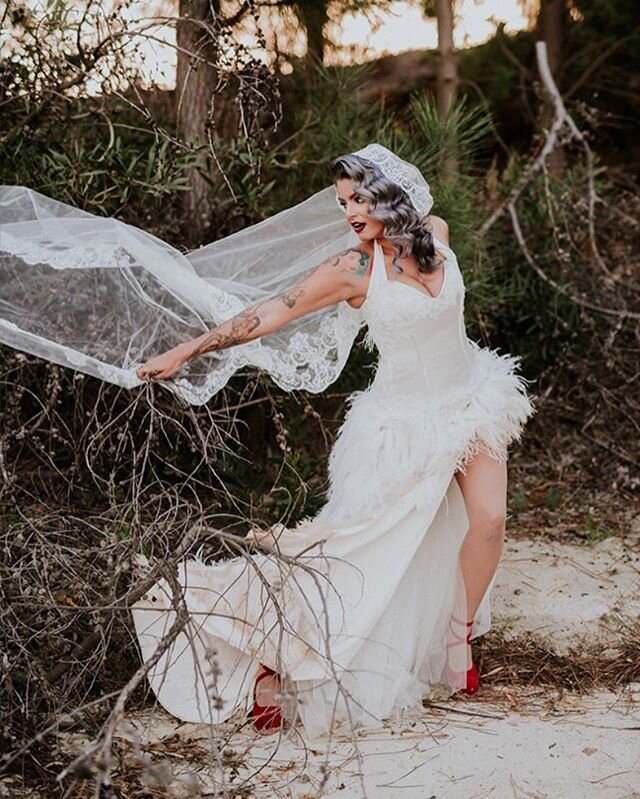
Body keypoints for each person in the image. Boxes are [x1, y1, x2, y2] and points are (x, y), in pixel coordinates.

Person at [132, 145, 534, 737]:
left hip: (472, 400)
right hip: (399, 426)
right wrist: (189, 350)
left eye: (359, 197)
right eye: (343, 201)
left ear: (391, 193)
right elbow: (269, 314)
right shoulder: (351, 269)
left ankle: (458, 635)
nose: (348, 210)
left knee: (490, 521)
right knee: (359, 558)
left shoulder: (438, 234)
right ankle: (273, 662)